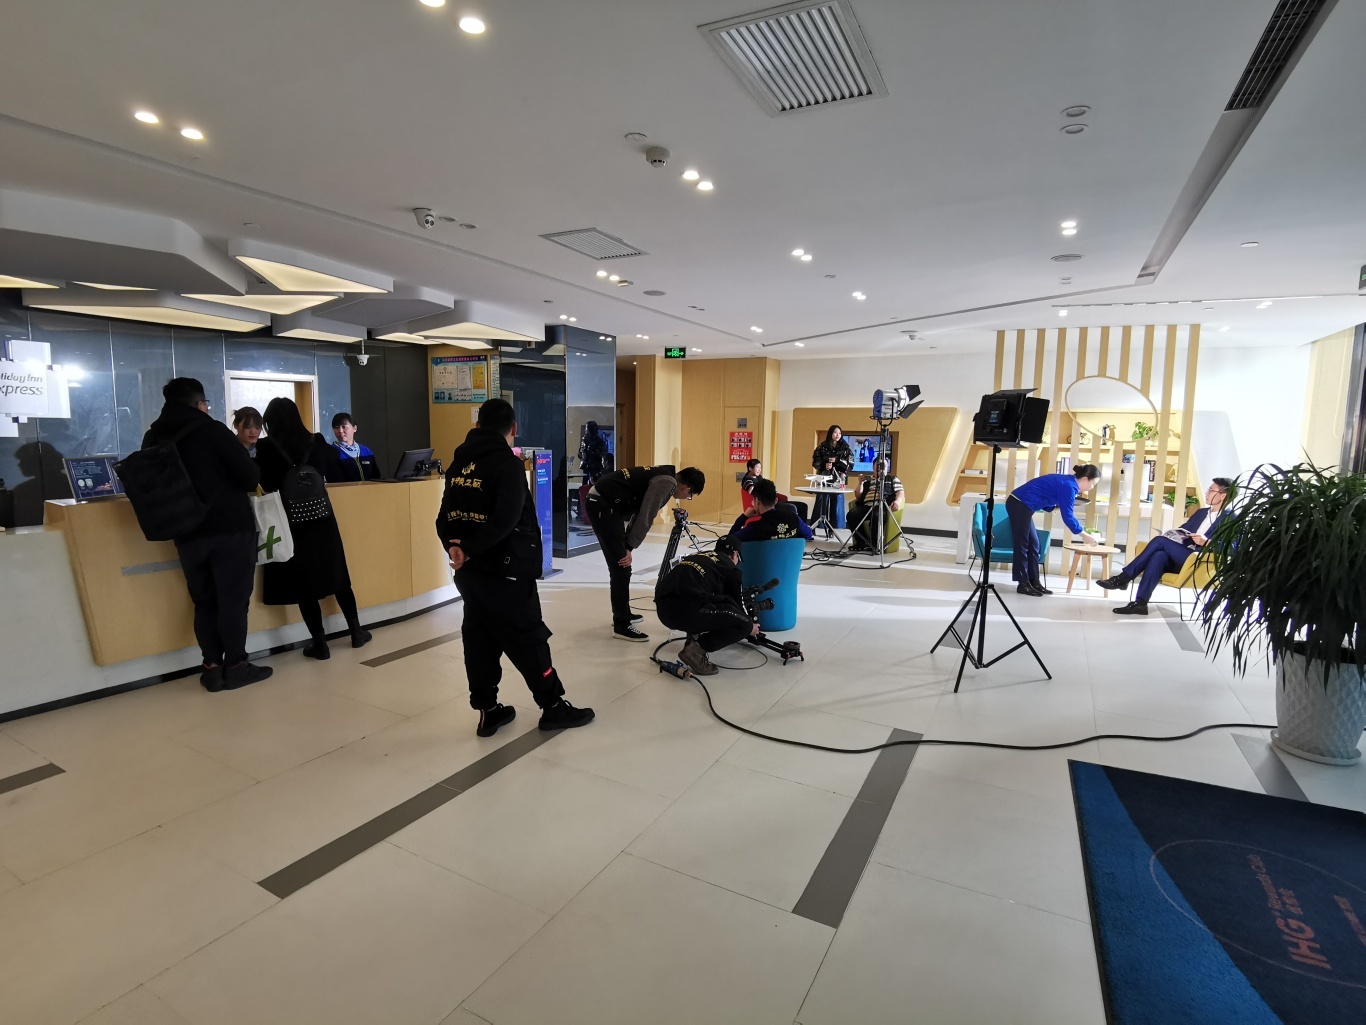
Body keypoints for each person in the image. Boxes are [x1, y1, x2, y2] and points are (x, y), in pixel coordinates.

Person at [437, 398, 594, 735]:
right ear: (513, 428)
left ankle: (488, 710)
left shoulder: (458, 464)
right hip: (506, 571)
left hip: (470, 574)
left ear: (477, 426)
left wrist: (456, 548)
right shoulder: (507, 465)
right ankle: (553, 707)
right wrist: (471, 550)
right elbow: (506, 521)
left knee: (479, 638)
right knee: (528, 637)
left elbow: (443, 518)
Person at [142, 378, 271, 691]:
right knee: (233, 601)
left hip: (186, 531)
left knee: (204, 601)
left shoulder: (153, 436)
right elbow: (249, 476)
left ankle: (211, 668)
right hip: (229, 527)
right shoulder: (212, 430)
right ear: (200, 404)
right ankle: (237, 666)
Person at [257, 398, 371, 659]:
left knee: (303, 584)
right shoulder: (315, 441)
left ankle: (320, 644)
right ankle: (356, 633)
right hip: (322, 519)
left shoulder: (266, 447)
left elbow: (263, 480)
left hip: (291, 522)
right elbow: (332, 459)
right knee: (339, 574)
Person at [585, 463, 706, 642]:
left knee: (622, 564)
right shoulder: (666, 482)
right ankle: (621, 625)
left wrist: (628, 544)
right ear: (686, 488)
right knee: (621, 566)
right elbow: (646, 515)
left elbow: (640, 510)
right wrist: (628, 547)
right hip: (602, 505)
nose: (686, 497)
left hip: (606, 504)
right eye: (690, 495)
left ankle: (624, 613)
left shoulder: (664, 474)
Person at [1099, 478, 1233, 615]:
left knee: (1159, 541)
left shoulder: (1232, 519)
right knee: (1159, 555)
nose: (1207, 493)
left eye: (1211, 490)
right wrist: (1170, 535)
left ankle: (1124, 578)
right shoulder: (1201, 513)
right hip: (1181, 556)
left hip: (1198, 561)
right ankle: (1140, 604)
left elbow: (1232, 548)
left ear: (1223, 495)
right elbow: (1183, 531)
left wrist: (1207, 542)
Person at [655, 536, 758, 677]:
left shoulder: (697, 557)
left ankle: (692, 640)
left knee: (705, 599)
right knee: (744, 623)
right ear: (735, 554)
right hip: (685, 614)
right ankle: (694, 652)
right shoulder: (730, 568)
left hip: (663, 612)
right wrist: (750, 626)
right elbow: (737, 602)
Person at [1007, 464, 1100, 596]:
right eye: (1093, 484)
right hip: (1019, 503)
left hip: (1023, 504)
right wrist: (1084, 535)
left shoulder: (1069, 482)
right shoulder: (1070, 486)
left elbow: (1045, 493)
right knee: (1022, 543)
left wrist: (1053, 508)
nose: (1092, 487)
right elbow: (1068, 516)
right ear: (1085, 479)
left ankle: (1034, 582)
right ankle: (1023, 583)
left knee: (1034, 544)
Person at [847, 456, 905, 551]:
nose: (880, 468)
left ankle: (875, 546)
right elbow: (858, 496)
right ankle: (862, 542)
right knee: (851, 515)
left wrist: (897, 501)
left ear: (887, 467)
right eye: (878, 465)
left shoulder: (892, 479)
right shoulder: (868, 480)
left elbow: (900, 492)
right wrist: (860, 483)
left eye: (883, 466)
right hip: (866, 507)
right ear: (873, 467)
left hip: (882, 506)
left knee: (877, 514)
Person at [729, 478, 813, 542]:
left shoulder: (755, 528)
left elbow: (729, 541)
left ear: (757, 501)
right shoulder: (793, 518)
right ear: (776, 500)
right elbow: (808, 534)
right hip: (791, 560)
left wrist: (743, 517)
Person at [810, 425, 854, 526]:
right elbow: (815, 462)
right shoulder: (822, 447)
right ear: (830, 433)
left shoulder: (846, 448)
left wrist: (837, 460)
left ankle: (836, 527)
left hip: (839, 480)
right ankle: (818, 525)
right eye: (835, 432)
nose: (837, 435)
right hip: (824, 480)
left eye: (839, 433)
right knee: (821, 503)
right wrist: (824, 465)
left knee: (837, 505)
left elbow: (850, 465)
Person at [324, 412, 382, 482]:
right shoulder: (330, 452)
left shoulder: (366, 452)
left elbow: (376, 477)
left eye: (344, 427)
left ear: (355, 428)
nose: (340, 431)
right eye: (336, 427)